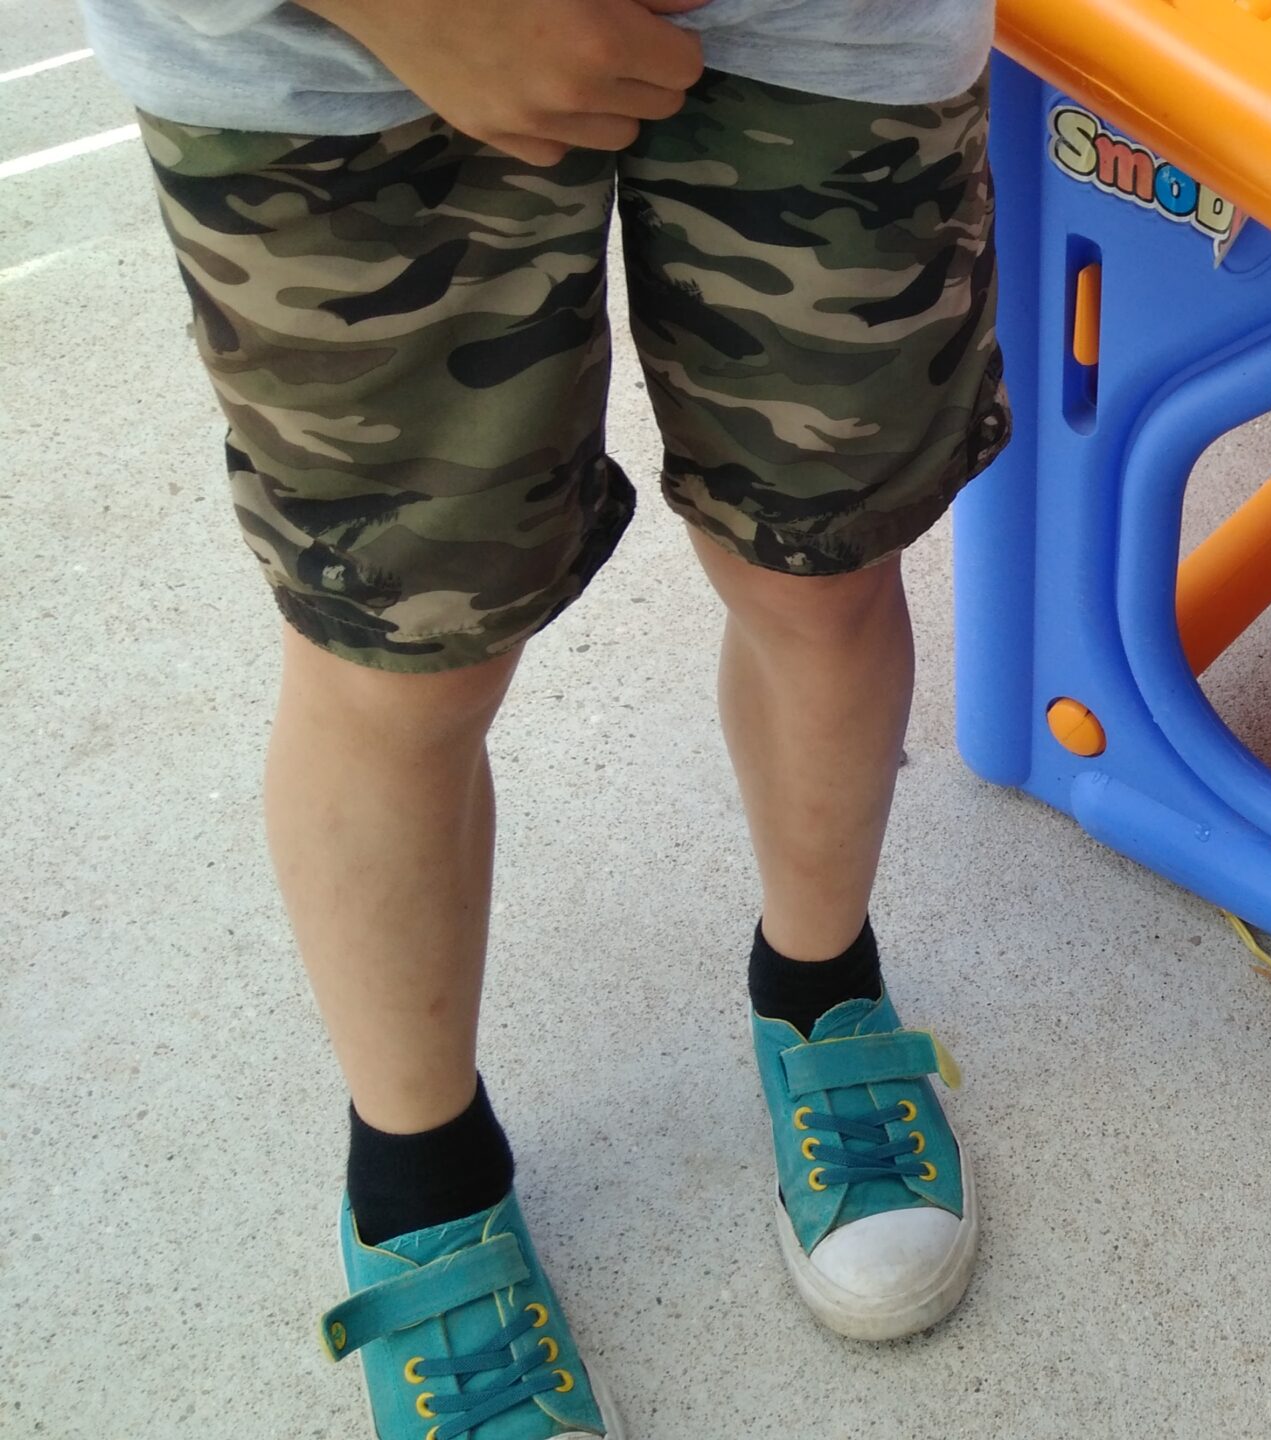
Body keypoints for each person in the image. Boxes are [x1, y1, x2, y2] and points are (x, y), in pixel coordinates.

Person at [76, 0, 1005, 1432]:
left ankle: (821, 993)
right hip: (335, 52)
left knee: (819, 567)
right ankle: (421, 1185)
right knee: (405, 655)